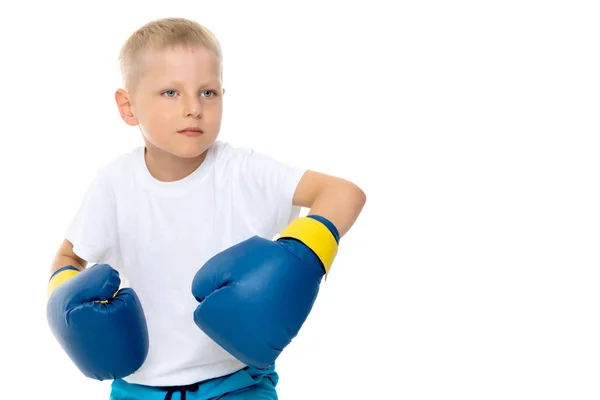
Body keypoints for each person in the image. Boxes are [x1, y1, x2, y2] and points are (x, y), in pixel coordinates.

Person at [46, 17, 366, 400]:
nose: (193, 108)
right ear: (128, 107)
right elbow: (69, 255)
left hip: (239, 384)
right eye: (170, 93)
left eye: (208, 93)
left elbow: (343, 193)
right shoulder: (114, 184)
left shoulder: (244, 171)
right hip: (138, 389)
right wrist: (65, 295)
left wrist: (301, 255)